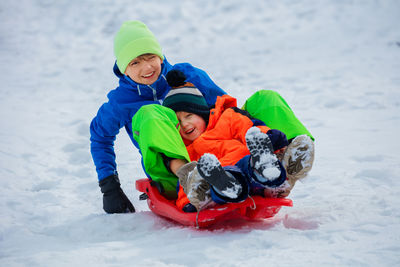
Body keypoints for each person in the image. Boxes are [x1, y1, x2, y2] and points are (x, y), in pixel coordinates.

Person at [90, 21, 226, 213]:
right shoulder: (120, 102)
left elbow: (225, 109)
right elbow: (100, 138)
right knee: (150, 112)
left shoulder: (187, 75)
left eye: (150, 57)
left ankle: (276, 160)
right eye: (135, 62)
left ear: (160, 56)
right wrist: (109, 187)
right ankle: (192, 179)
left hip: (218, 157)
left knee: (264, 99)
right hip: (170, 176)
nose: (147, 68)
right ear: (124, 70)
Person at [162, 70, 298, 212]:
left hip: (248, 167)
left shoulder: (225, 119)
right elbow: (187, 179)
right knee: (208, 178)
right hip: (219, 182)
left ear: (202, 112)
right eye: (177, 123)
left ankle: (270, 177)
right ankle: (217, 192)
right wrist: (187, 203)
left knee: (252, 162)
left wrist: (268, 138)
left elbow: (247, 129)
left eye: (189, 115)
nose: (184, 124)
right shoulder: (185, 150)